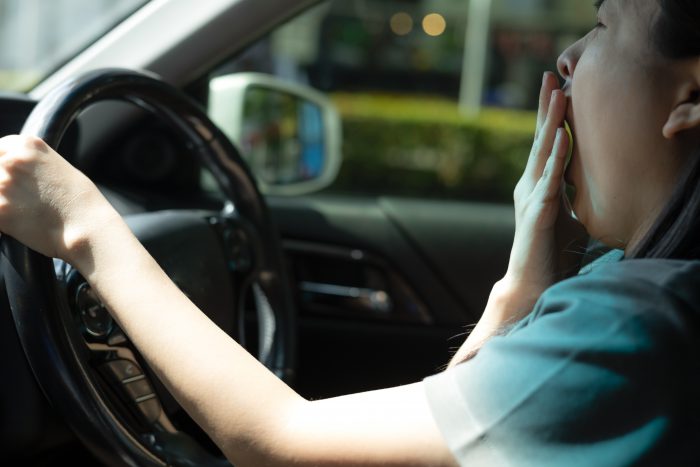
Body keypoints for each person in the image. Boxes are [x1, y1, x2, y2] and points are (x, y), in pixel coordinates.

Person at [0, 0, 699, 464]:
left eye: (605, 24)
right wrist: (520, 289)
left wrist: (83, 226)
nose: (567, 59)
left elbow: (279, 443)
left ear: (691, 97)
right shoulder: (631, 291)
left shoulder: (633, 327)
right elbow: (463, 440)